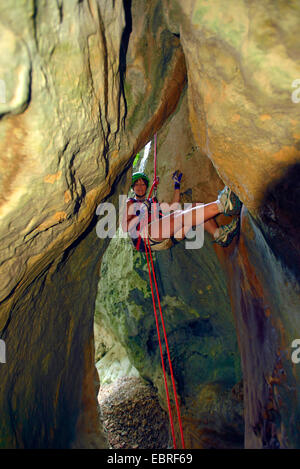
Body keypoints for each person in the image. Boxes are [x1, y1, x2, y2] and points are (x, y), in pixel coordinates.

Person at [121, 170, 241, 252]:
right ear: (133, 188)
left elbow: (174, 205)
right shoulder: (130, 203)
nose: (140, 187)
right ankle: (222, 204)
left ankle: (219, 234)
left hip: (169, 237)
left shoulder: (152, 203)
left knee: (195, 207)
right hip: (146, 236)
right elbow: (125, 227)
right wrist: (142, 210)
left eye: (143, 184)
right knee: (179, 216)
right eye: (137, 185)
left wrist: (176, 185)